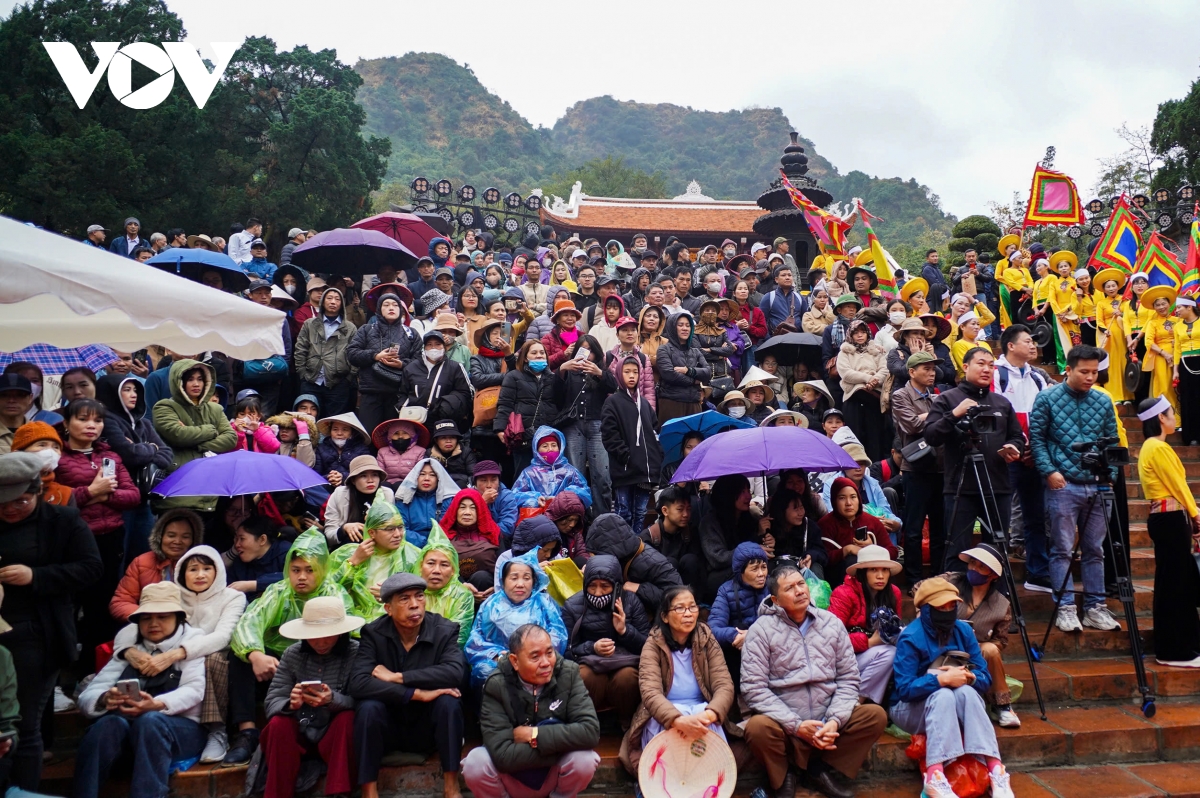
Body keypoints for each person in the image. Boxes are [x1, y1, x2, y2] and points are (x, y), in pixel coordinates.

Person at [0, 452, 103, 790]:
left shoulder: (64, 522)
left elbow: (91, 569)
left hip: (38, 634)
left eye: (21, 501)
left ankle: (23, 792)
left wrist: (36, 576)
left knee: (24, 724)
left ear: (38, 491)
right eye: (3, 504)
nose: (11, 509)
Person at [741, 566, 889, 798]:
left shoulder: (831, 623)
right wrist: (796, 725)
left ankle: (817, 769)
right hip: (785, 723)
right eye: (790, 588)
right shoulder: (760, 631)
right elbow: (754, 689)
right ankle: (784, 773)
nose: (800, 591)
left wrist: (833, 720)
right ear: (776, 600)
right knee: (757, 728)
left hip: (825, 718)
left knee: (875, 716)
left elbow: (849, 678)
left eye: (801, 584)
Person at [228, 529, 355, 765]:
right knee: (238, 657)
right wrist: (255, 654)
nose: (302, 577)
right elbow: (250, 621)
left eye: (309, 570)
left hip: (322, 663)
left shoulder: (333, 593)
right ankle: (246, 732)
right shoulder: (277, 591)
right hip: (278, 666)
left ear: (322, 570)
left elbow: (352, 630)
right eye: (296, 570)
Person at [73, 582, 206, 798]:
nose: (153, 623)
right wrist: (104, 699)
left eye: (162, 617)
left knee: (151, 720)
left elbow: (194, 690)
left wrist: (157, 705)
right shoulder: (129, 651)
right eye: (146, 618)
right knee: (109, 723)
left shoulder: (190, 646)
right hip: (131, 736)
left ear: (178, 619)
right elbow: (88, 696)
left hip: (182, 732)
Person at [890, 577, 1016, 798]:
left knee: (967, 692)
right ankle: (935, 775)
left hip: (954, 701)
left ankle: (996, 768)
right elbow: (904, 690)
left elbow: (984, 677)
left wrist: (968, 678)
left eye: (951, 605)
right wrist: (940, 680)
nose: (948, 610)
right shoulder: (910, 636)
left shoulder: (963, 631)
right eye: (941, 606)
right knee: (942, 696)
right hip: (908, 708)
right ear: (926, 608)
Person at [1029, 345, 1122, 633]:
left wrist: (1111, 474)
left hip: (1097, 483)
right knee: (1062, 549)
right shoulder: (1047, 398)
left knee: (1095, 549)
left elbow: (1113, 440)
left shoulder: (1103, 401)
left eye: (1095, 372)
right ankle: (1065, 607)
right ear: (1068, 370)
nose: (1090, 377)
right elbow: (1037, 439)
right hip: (1063, 484)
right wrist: (1049, 471)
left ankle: (1095, 607)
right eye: (1084, 371)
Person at [348, 573, 467, 798]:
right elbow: (358, 682)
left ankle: (451, 786)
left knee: (449, 702)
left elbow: (454, 672)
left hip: (427, 727)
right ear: (388, 609)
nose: (414, 605)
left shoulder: (444, 629)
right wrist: (415, 693)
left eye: (419, 596)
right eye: (404, 599)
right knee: (367, 708)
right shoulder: (373, 633)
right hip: (390, 724)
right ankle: (369, 791)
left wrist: (399, 677)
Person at [461, 624, 601, 798]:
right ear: (515, 661)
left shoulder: (569, 673)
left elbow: (590, 732)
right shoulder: (496, 684)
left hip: (552, 775)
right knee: (476, 762)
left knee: (584, 760)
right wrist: (560, 745)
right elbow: (502, 755)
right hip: (511, 777)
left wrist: (534, 734)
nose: (546, 663)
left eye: (549, 653)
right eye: (535, 657)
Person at [619, 583, 741, 774]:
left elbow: (724, 684)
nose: (688, 613)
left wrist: (709, 714)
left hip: (702, 712)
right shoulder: (653, 644)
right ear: (665, 616)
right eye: (679, 608)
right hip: (665, 714)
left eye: (692, 607)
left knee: (709, 733)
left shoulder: (706, 639)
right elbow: (650, 693)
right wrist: (677, 720)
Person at [923, 347, 1024, 570]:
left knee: (996, 552)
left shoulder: (1001, 402)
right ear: (966, 367)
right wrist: (955, 414)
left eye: (991, 365)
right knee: (957, 550)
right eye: (981, 364)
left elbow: (1017, 435)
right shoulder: (948, 399)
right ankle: (956, 602)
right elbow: (930, 436)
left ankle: (996, 602)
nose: (987, 369)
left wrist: (1013, 446)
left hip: (997, 486)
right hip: (960, 487)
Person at [56, 398, 141, 661]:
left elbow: (133, 496)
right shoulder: (55, 456)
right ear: (67, 424)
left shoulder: (109, 456)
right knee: (66, 605)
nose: (91, 425)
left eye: (97, 420)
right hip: (70, 540)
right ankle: (62, 670)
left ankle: (92, 669)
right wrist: (90, 492)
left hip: (109, 538)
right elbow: (50, 498)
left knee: (101, 605)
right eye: (83, 419)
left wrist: (103, 496)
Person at [257, 596, 361, 798]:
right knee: (278, 724)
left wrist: (332, 700)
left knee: (349, 719)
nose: (321, 642)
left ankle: (339, 792)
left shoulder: (356, 653)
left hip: (336, 738)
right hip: (299, 734)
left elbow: (364, 700)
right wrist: (291, 704)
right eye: (314, 636)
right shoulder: (292, 654)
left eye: (328, 636)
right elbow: (272, 701)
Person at [1134, 396, 1200, 666]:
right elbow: (1178, 485)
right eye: (1172, 413)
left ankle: (1178, 647)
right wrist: (1196, 514)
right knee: (1175, 584)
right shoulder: (1157, 448)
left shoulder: (1152, 447)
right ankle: (1176, 651)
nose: (1175, 418)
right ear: (1161, 418)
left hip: (1170, 518)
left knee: (1174, 582)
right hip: (1170, 518)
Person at [991, 323, 1053, 591]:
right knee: (1000, 517)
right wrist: (1017, 445)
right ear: (1010, 346)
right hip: (1005, 456)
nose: (1033, 345)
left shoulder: (1038, 377)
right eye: (1027, 341)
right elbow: (996, 415)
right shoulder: (995, 374)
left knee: (1036, 515)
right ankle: (995, 575)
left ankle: (1037, 572)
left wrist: (1035, 448)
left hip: (1033, 455)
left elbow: (1043, 417)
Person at [560, 554, 649, 728]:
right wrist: (593, 647)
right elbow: (566, 650)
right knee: (586, 676)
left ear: (616, 586)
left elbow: (647, 645)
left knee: (627, 678)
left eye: (605, 587)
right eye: (592, 587)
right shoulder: (573, 605)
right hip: (589, 661)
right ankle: (587, 723)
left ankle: (627, 722)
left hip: (624, 662)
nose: (598, 593)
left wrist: (624, 630)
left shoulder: (631, 602)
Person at [95, 374, 175, 564]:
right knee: (120, 556)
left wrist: (143, 449)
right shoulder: (107, 421)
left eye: (135, 390)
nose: (133, 395)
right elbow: (128, 454)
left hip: (144, 500)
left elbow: (167, 455)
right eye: (127, 390)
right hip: (119, 500)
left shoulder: (144, 423)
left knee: (144, 556)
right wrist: (150, 447)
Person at [939, 545, 1020, 727]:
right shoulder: (951, 580)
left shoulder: (1001, 604)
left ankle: (1003, 706)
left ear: (993, 575)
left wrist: (976, 645)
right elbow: (919, 590)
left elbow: (1001, 640)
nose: (974, 569)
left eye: (981, 567)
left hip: (973, 651)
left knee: (991, 649)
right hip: (939, 642)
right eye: (972, 564)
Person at [465, 549, 568, 687]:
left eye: (526, 578)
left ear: (534, 581)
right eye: (514, 578)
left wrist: (533, 656)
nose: (520, 584)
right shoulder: (490, 605)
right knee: (483, 672)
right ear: (503, 581)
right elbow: (476, 639)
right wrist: (498, 656)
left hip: (538, 660)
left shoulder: (544, 603)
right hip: (499, 662)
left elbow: (558, 635)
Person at [150, 359, 237, 509]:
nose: (196, 384)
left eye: (200, 379)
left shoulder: (214, 409)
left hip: (211, 487)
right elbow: (178, 435)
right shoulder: (165, 407)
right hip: (179, 486)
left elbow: (231, 438)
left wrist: (196, 441)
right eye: (190, 379)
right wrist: (211, 431)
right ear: (179, 382)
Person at [891, 351, 947, 583]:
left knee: (940, 529)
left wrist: (930, 415)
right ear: (912, 372)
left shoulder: (938, 395)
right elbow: (912, 425)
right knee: (913, 528)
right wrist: (939, 414)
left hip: (941, 468)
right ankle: (914, 579)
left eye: (933, 369)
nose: (932, 373)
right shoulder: (900, 395)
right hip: (915, 469)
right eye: (926, 369)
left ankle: (939, 575)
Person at [828, 545, 902, 705]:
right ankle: (856, 702)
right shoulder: (843, 593)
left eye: (885, 570)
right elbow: (830, 639)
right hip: (844, 659)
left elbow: (897, 626)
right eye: (873, 570)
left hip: (877, 656)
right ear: (862, 572)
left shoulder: (894, 592)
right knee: (889, 654)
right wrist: (869, 642)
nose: (880, 576)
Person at [329, 497, 422, 621]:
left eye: (400, 527)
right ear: (372, 532)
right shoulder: (347, 553)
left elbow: (426, 593)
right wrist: (353, 563)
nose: (398, 534)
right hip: (355, 626)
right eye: (390, 529)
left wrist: (393, 593)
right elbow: (328, 591)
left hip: (399, 623)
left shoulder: (413, 555)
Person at [346, 287, 421, 432]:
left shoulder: (411, 334)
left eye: (395, 305)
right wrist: (375, 356)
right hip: (371, 392)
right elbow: (352, 353)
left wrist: (402, 364)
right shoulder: (367, 329)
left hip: (398, 393)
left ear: (401, 309)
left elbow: (418, 362)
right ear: (379, 310)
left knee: (393, 436)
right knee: (368, 435)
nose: (391, 308)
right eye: (386, 305)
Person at [109, 508, 203, 623]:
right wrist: (148, 618)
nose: (178, 541)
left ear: (193, 540)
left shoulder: (202, 566)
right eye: (171, 535)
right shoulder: (141, 563)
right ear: (160, 536)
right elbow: (120, 602)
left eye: (185, 537)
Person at [601, 354, 663, 529]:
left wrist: (657, 454)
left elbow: (654, 431)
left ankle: (636, 548)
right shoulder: (612, 402)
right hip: (625, 470)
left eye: (635, 372)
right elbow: (609, 435)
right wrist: (626, 456)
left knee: (640, 511)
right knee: (624, 511)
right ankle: (623, 547)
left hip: (645, 469)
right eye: (627, 371)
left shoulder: (644, 404)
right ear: (619, 374)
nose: (631, 376)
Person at [556, 335, 614, 513]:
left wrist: (599, 373)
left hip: (597, 426)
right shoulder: (569, 371)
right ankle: (578, 518)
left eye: (590, 350)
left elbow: (614, 387)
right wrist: (562, 370)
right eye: (583, 349)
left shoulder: (600, 370)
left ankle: (602, 518)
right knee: (575, 475)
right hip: (573, 426)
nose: (586, 354)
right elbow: (554, 394)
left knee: (602, 476)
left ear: (596, 354)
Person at [494, 341, 565, 475]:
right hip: (523, 436)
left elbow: (560, 403)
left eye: (542, 352)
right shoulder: (513, 376)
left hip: (548, 437)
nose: (539, 356)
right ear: (525, 358)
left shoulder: (554, 378)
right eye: (534, 353)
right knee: (525, 474)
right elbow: (505, 404)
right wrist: (499, 428)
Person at [707, 541, 769, 684]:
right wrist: (735, 636)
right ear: (740, 572)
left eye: (764, 567)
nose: (761, 574)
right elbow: (713, 629)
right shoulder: (726, 591)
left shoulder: (774, 587)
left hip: (769, 646)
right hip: (739, 651)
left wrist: (753, 635)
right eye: (754, 569)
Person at [294, 287, 358, 417]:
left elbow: (354, 354)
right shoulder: (309, 324)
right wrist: (302, 373)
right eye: (329, 298)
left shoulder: (350, 328)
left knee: (333, 420)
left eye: (337, 299)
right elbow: (300, 349)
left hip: (338, 382)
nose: (333, 302)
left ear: (342, 303)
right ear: (323, 301)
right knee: (307, 419)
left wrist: (349, 377)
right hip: (311, 380)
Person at [699, 474, 764, 601]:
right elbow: (718, 558)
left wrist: (761, 535)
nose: (748, 496)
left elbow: (754, 545)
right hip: (719, 576)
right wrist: (751, 550)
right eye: (742, 492)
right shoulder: (710, 522)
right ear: (728, 494)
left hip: (745, 569)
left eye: (748, 491)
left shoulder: (747, 517)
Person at [817, 477, 892, 586]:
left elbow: (892, 551)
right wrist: (846, 550)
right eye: (842, 498)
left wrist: (872, 548)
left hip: (872, 579)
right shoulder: (825, 524)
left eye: (853, 497)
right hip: (838, 580)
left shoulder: (872, 521)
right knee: (852, 560)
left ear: (859, 499)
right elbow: (823, 558)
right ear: (834, 500)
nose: (848, 503)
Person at [419, 523, 476, 649]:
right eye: (431, 563)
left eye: (444, 565)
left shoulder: (462, 595)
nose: (436, 570)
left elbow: (458, 638)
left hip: (446, 657)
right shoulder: (409, 592)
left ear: (453, 570)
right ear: (420, 565)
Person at [640, 486, 705, 592]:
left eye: (688, 509)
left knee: (690, 560)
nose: (686, 514)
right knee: (669, 563)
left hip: (689, 594)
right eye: (680, 509)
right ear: (665, 511)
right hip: (661, 594)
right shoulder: (649, 537)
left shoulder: (691, 532)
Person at [439, 488, 502, 596]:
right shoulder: (443, 536)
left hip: (488, 590)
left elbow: (504, 565)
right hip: (453, 592)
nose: (467, 512)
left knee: (482, 577)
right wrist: (461, 585)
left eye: (473, 508)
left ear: (480, 511)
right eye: (462, 507)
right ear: (455, 510)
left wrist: (497, 586)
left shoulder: (493, 533)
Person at [511, 427, 592, 510]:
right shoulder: (529, 473)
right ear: (537, 450)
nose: (550, 449)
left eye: (554, 445)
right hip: (539, 516)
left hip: (564, 514)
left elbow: (584, 492)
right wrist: (535, 498)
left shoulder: (570, 471)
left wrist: (565, 496)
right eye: (545, 446)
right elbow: (515, 496)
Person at [323, 455, 394, 546]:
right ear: (353, 480)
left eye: (374, 475)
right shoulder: (339, 494)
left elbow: (393, 531)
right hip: (346, 548)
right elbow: (329, 534)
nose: (370, 480)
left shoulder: (387, 494)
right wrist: (344, 528)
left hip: (379, 547)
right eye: (363, 476)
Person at [656, 313, 711, 424]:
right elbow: (669, 374)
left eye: (688, 325)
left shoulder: (695, 351)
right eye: (680, 325)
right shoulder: (664, 349)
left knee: (694, 439)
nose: (685, 328)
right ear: (672, 327)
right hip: (671, 402)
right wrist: (694, 380)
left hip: (694, 402)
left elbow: (708, 372)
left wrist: (688, 371)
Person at [764, 487, 827, 577]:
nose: (801, 513)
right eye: (796, 509)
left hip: (804, 569)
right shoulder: (768, 527)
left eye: (802, 507)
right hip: (779, 574)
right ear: (782, 510)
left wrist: (811, 555)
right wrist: (762, 536)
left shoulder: (809, 526)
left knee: (815, 567)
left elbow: (822, 552)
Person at [228, 516, 289, 601]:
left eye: (242, 539)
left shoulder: (287, 553)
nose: (237, 544)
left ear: (262, 539)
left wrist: (254, 585)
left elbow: (294, 578)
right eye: (236, 539)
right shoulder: (238, 564)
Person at [313, 413, 372, 488]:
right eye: (335, 429)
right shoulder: (321, 448)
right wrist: (330, 477)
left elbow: (365, 474)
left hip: (352, 488)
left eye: (345, 429)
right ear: (330, 432)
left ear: (352, 433)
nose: (339, 433)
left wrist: (343, 477)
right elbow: (315, 475)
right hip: (326, 489)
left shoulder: (361, 449)